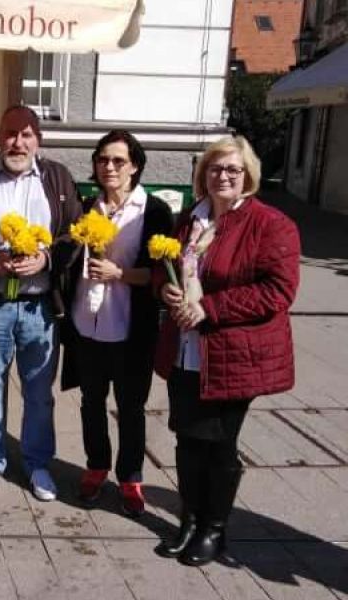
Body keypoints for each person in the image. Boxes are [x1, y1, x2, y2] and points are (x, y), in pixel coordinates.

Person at [153, 135, 300, 565]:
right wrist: (167, 293)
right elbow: (169, 275)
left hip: (233, 355)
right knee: (185, 439)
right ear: (203, 175)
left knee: (218, 442)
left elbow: (278, 291)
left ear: (248, 175)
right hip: (186, 352)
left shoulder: (270, 224)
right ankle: (189, 520)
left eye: (233, 170)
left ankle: (213, 530)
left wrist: (207, 308)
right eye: (216, 169)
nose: (224, 176)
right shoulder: (190, 220)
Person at [0, 105, 79, 501]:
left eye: (26, 135)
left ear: (38, 139)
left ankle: (37, 463)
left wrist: (45, 258)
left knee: (39, 391)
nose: (18, 142)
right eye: (10, 133)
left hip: (40, 305)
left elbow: (74, 236)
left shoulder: (57, 176)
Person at [60, 130, 173, 517]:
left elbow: (161, 274)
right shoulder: (86, 207)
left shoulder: (152, 211)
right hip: (86, 324)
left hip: (130, 328)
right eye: (102, 160)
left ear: (135, 166)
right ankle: (96, 467)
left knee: (131, 407)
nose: (109, 167)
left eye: (118, 161)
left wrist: (119, 272)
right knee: (91, 402)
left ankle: (130, 477)